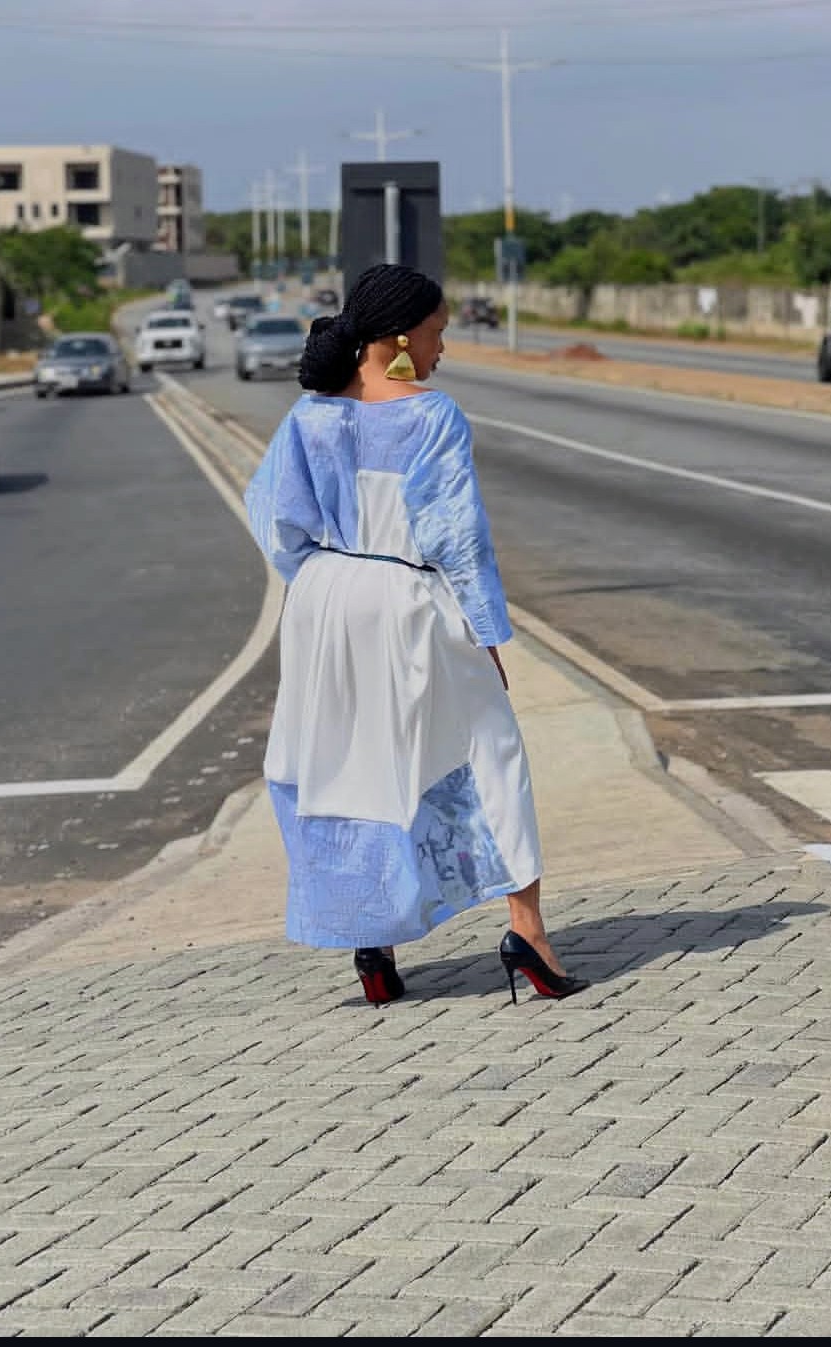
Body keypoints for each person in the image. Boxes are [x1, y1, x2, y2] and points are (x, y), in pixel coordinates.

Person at [243, 263, 587, 1007]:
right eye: (436, 333)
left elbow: (272, 518)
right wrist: (488, 633)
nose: (443, 350)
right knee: (491, 746)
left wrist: (324, 578)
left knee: (350, 760)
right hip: (406, 595)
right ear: (400, 338)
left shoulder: (309, 416)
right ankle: (526, 930)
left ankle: (372, 944)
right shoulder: (432, 417)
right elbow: (459, 540)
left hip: (324, 601)